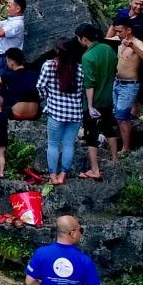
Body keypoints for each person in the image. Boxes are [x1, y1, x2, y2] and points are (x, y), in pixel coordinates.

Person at [73, 24, 118, 179]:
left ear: (84, 39)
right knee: (109, 128)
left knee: (91, 135)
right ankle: (115, 159)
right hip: (108, 97)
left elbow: (89, 83)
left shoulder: (87, 57)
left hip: (95, 100)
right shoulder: (108, 50)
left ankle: (95, 169)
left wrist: (90, 105)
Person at [38, 40, 85, 186]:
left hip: (55, 112)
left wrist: (47, 97)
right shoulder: (80, 69)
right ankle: (63, 175)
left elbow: (40, 86)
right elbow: (83, 90)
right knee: (68, 144)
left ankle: (53, 176)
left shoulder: (48, 66)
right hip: (75, 113)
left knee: (53, 144)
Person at [112, 23, 143, 153]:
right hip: (117, 83)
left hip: (129, 85)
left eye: (120, 31)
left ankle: (126, 147)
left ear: (128, 30)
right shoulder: (120, 41)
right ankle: (121, 143)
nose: (117, 34)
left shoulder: (137, 43)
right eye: (116, 31)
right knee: (117, 115)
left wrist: (132, 47)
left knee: (122, 116)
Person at [0, 0, 28, 78]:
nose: (7, 8)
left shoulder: (17, 24)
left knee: (2, 84)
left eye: (9, 6)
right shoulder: (10, 20)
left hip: (6, 59)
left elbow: (0, 33)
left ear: (18, 9)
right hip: (1, 57)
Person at [0, 47, 41, 120]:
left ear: (12, 62)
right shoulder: (34, 74)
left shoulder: (7, 75)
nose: (6, 63)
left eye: (7, 61)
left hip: (16, 114)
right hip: (35, 113)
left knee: (1, 90)